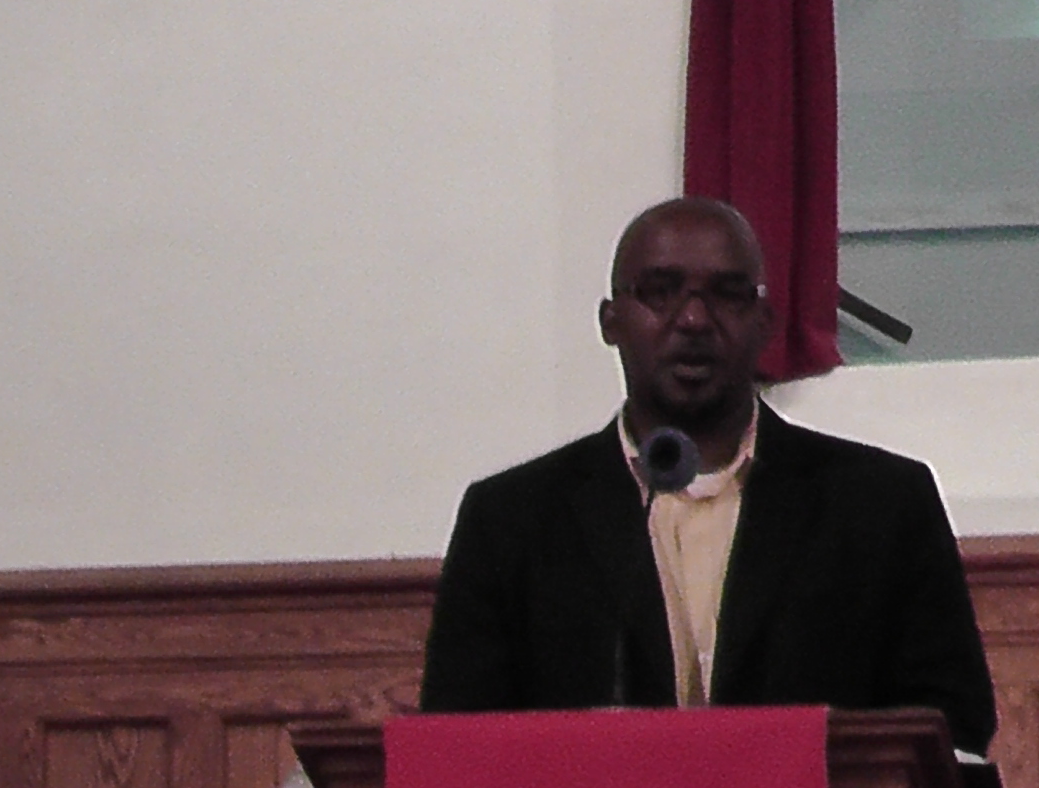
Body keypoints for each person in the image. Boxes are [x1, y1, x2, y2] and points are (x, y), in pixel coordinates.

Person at [419, 197, 997, 755]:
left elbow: (956, 722)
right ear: (611, 321)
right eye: (660, 291)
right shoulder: (513, 520)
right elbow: (457, 741)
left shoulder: (879, 504)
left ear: (764, 322)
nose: (694, 319)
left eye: (727, 294)